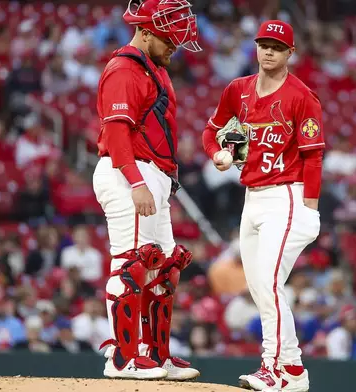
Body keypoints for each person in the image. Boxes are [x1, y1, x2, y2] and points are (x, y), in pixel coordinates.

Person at [201, 19, 323, 392]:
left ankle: (271, 368)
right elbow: (211, 130)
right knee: (261, 288)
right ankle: (295, 370)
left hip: (288, 195)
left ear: (290, 52)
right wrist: (218, 153)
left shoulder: (302, 97)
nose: (268, 51)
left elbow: (314, 157)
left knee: (268, 284)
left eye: (276, 45)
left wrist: (311, 210)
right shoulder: (237, 90)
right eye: (263, 44)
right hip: (252, 197)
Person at [92, 0, 201, 381]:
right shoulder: (124, 68)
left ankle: (155, 354)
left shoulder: (153, 67)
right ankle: (122, 359)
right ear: (146, 31)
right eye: (170, 36)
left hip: (151, 174)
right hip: (128, 171)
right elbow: (117, 130)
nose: (177, 44)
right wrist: (136, 181)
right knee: (130, 263)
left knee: (164, 266)